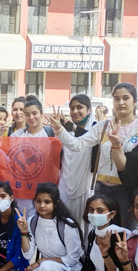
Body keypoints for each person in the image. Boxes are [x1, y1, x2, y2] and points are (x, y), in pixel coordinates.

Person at [48, 83, 138, 230]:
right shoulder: (103, 126)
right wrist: (59, 129)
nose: (121, 102)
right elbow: (77, 145)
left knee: (126, 232)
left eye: (125, 98)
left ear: (135, 101)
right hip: (101, 188)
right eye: (116, 98)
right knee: (101, 231)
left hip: (127, 191)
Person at [17, 183, 83, 271]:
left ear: (56, 203)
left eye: (47, 202)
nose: (42, 205)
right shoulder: (32, 221)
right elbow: (27, 254)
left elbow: (73, 259)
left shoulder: (67, 225)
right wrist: (24, 232)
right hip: (46, 270)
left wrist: (43, 260)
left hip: (69, 270)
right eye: (38, 201)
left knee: (46, 267)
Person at [11, 95, 56, 214]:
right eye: (27, 114)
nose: (31, 117)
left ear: (42, 114)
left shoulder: (52, 134)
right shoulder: (16, 136)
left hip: (45, 189)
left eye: (34, 113)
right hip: (23, 190)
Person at [57, 94, 97, 228]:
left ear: (89, 110)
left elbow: (78, 145)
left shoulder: (96, 130)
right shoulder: (70, 133)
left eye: (79, 107)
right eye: (72, 108)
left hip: (87, 185)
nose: (75, 111)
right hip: (67, 185)